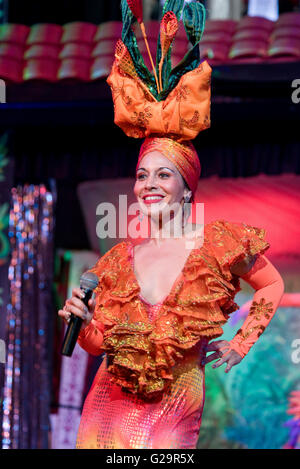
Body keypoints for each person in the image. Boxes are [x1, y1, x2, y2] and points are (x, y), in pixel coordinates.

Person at [58, 0, 285, 449]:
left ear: (187, 187)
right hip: (106, 411)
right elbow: (99, 346)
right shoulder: (119, 259)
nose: (149, 185)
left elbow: (272, 285)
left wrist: (242, 342)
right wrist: (81, 321)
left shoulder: (217, 245)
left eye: (164, 175)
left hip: (173, 411)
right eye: (143, 175)